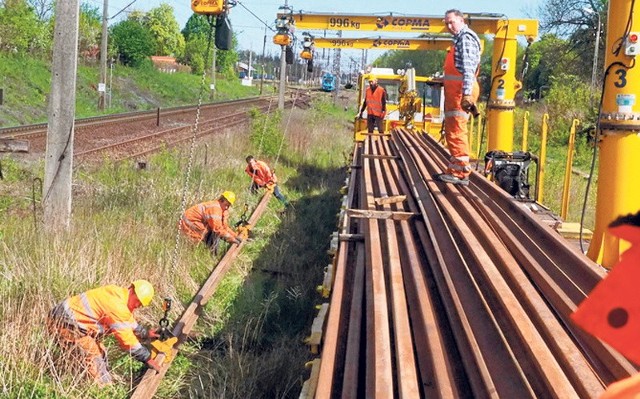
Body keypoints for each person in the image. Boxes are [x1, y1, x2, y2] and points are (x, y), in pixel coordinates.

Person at [47, 280, 161, 386]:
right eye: (139, 303)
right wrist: (147, 358)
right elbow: (127, 341)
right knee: (95, 358)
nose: (137, 307)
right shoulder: (118, 307)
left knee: (101, 353)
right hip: (64, 324)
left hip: (65, 320)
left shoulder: (116, 293)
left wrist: (145, 333)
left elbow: (126, 320)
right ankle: (104, 389)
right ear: (134, 294)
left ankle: (85, 380)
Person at [436, 9, 482, 186]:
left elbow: (468, 69)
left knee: (456, 131)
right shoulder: (458, 40)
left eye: (451, 22)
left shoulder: (465, 39)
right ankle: (456, 169)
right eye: (446, 23)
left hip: (460, 93)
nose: (449, 26)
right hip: (455, 92)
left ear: (461, 20)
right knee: (453, 130)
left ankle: (460, 172)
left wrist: (467, 94)